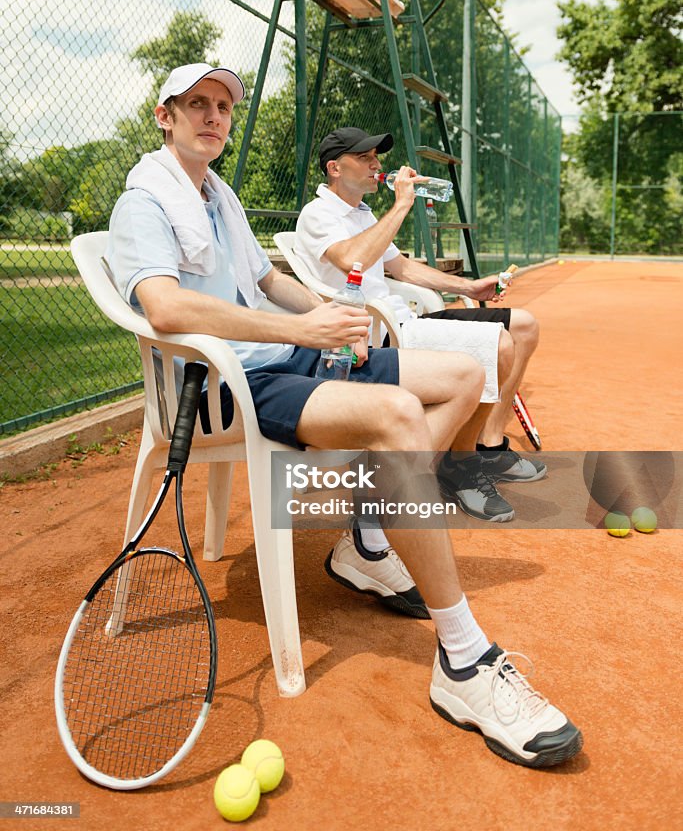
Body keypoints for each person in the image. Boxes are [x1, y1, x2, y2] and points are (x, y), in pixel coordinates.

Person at [106, 62, 582, 769]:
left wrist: (325, 312)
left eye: (223, 107)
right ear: (164, 115)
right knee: (395, 414)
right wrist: (300, 332)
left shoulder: (217, 195)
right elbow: (167, 309)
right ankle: (462, 658)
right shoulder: (143, 203)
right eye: (196, 105)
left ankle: (364, 538)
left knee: (459, 373)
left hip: (275, 359)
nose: (213, 116)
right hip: (222, 386)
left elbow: (267, 280)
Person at [295, 126, 546, 533]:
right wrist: (401, 206)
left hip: (407, 321)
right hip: (381, 333)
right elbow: (351, 260)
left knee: (524, 325)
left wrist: (468, 286)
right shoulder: (318, 214)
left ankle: (489, 444)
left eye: (377, 155)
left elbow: (401, 268)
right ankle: (460, 464)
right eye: (366, 157)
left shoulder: (362, 212)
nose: (378, 164)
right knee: (499, 345)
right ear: (334, 168)